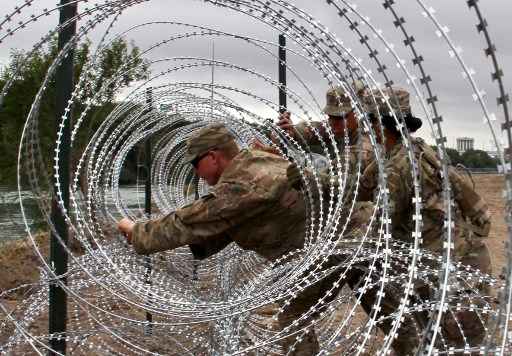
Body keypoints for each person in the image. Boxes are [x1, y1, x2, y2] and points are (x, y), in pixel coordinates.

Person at [360, 87, 492, 350]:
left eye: (370, 121)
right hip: (465, 264)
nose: (368, 129)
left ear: (380, 125)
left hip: (448, 279)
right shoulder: (420, 150)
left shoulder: (396, 168)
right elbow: (481, 215)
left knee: (450, 346)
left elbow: (378, 227)